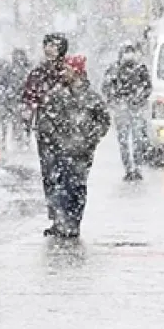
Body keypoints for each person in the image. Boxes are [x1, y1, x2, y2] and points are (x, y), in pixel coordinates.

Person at [37, 55, 110, 238]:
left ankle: (74, 222)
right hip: (61, 150)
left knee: (77, 187)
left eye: (68, 69)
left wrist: (90, 139)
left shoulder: (91, 97)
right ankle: (62, 222)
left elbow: (104, 121)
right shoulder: (56, 95)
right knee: (61, 184)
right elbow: (45, 122)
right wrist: (57, 140)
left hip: (82, 152)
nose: (64, 73)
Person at [22, 33, 70, 230]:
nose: (49, 49)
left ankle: (67, 214)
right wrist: (27, 118)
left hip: (68, 131)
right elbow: (28, 98)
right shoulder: (38, 73)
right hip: (45, 130)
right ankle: (55, 214)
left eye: (53, 45)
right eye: (46, 45)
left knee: (66, 173)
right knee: (49, 172)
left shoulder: (69, 72)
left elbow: (82, 95)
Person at [102, 42, 152, 181]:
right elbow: (106, 87)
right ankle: (129, 169)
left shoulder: (141, 68)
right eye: (126, 51)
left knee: (138, 139)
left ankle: (137, 167)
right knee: (123, 140)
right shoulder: (114, 69)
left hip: (137, 108)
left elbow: (148, 87)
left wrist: (139, 98)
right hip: (121, 108)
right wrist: (115, 101)